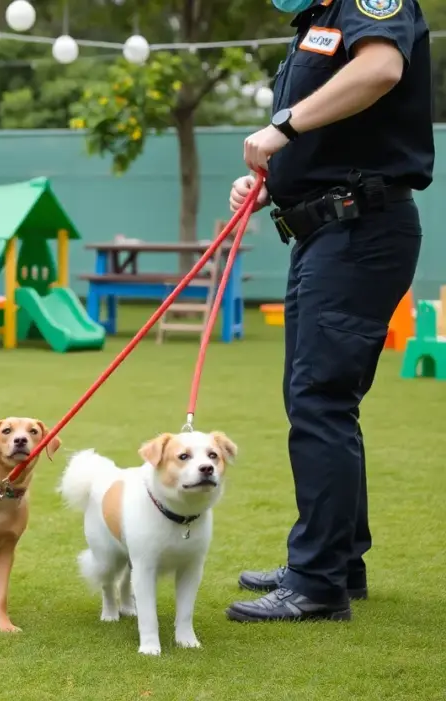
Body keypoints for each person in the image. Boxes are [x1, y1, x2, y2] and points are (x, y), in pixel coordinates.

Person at [225, 0, 433, 622]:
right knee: (314, 397)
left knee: (320, 398)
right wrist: (272, 177)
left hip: (360, 229)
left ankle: (317, 585)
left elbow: (379, 71)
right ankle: (338, 562)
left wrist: (280, 128)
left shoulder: (370, 5)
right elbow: (334, 131)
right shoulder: (313, 25)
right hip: (323, 228)